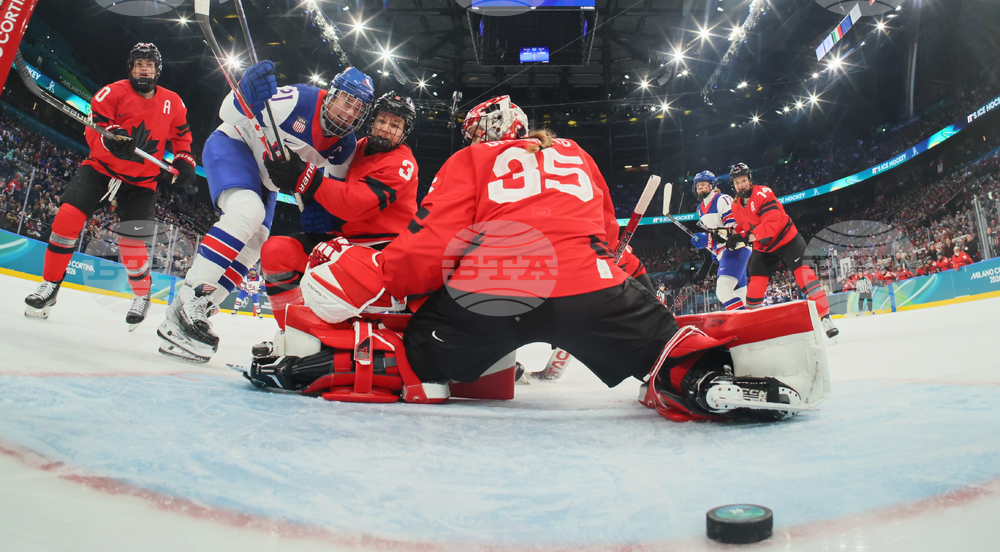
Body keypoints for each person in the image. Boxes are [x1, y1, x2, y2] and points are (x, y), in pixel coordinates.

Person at [242, 100, 827, 422]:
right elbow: (604, 245)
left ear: (491, 130)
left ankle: (331, 369)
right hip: (590, 287)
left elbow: (428, 249)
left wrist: (378, 280)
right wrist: (643, 304)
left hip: (495, 289)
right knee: (663, 351)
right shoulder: (578, 155)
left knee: (419, 359)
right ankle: (704, 380)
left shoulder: (471, 162)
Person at [157, 61, 375, 363]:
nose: (349, 112)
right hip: (233, 144)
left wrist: (317, 205)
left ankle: (204, 306)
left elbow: (330, 187)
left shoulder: (344, 147)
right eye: (346, 101)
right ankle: (189, 296)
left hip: (266, 179)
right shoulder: (300, 99)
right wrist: (243, 96)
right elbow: (228, 114)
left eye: (357, 109)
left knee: (258, 238)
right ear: (332, 93)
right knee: (248, 212)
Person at [24, 43, 196, 329]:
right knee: (66, 219)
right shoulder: (112, 92)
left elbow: (182, 138)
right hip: (101, 170)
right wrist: (113, 139)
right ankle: (50, 285)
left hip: (141, 182)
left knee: (132, 246)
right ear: (130, 68)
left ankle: (142, 295)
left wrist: (185, 161)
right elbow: (95, 129)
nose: (144, 68)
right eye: (139, 63)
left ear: (157, 70)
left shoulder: (173, 102)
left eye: (149, 64)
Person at [258, 92, 419, 329]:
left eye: (395, 125)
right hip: (344, 242)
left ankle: (332, 333)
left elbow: (354, 204)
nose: (386, 128)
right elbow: (327, 173)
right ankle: (292, 331)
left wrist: (305, 178)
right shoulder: (358, 147)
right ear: (371, 120)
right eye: (382, 120)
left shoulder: (403, 164)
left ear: (405, 131)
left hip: (382, 252)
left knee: (330, 273)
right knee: (275, 251)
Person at [724, 162, 839, 338]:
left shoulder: (764, 193)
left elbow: (770, 228)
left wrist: (743, 238)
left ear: (750, 180)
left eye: (743, 180)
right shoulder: (735, 205)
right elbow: (744, 227)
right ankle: (752, 330)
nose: (741, 185)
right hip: (763, 248)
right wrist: (732, 235)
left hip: (788, 240)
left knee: (805, 276)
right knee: (755, 288)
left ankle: (825, 318)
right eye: (737, 182)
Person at [688, 170, 750, 311]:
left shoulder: (722, 199)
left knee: (723, 291)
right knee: (741, 293)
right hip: (726, 251)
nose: (700, 188)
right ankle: (755, 323)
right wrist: (714, 249)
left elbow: (735, 230)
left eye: (703, 185)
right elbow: (715, 234)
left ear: (712, 185)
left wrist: (708, 240)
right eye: (698, 186)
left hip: (736, 248)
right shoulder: (699, 209)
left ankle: (745, 323)